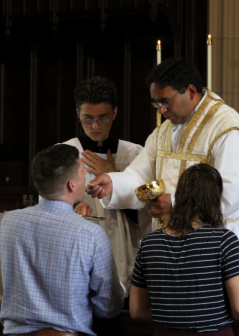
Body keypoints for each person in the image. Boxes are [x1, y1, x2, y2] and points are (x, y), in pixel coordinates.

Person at [87, 58, 239, 316]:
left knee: (216, 318)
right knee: (173, 318)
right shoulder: (165, 131)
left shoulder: (229, 129)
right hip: (172, 244)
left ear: (190, 91)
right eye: (156, 103)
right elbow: (142, 175)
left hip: (219, 241)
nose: (161, 110)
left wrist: (175, 204)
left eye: (165, 101)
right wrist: (113, 183)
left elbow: (235, 190)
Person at [0, 144, 125, 336]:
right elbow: (109, 307)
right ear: (71, 185)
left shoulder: (9, 221)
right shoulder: (91, 233)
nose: (86, 178)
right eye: (83, 172)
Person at [129, 164, 239, 335]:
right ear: (215, 199)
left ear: (179, 196)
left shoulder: (149, 243)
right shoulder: (224, 240)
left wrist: (175, 313)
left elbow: (136, 310)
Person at [64, 76, 151, 293]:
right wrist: (74, 208)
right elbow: (49, 211)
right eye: (87, 118)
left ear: (115, 113)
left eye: (103, 118)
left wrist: (115, 176)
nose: (95, 126)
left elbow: (149, 211)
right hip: (79, 253)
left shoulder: (134, 154)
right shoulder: (65, 153)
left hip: (124, 250)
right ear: (77, 114)